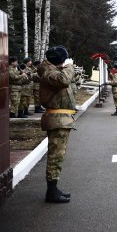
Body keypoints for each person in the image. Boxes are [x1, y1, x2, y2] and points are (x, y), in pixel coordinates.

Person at [38, 45, 75, 203]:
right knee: (55, 157)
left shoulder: (52, 71)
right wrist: (70, 66)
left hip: (61, 119)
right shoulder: (49, 73)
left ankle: (53, 188)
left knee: (57, 156)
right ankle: (51, 192)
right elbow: (64, 80)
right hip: (57, 119)